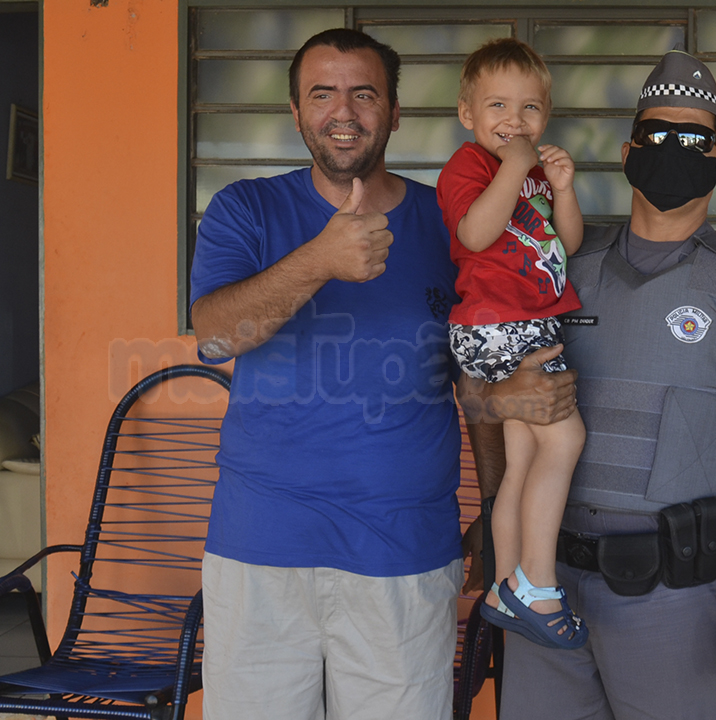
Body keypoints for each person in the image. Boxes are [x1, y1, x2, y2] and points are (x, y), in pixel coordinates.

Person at [188, 28, 569, 720]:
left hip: (405, 556)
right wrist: (319, 259)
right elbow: (215, 336)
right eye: (322, 94)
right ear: (296, 112)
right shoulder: (246, 209)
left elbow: (470, 375)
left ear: (394, 112)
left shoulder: (448, 221)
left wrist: (490, 508)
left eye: (364, 94)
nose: (343, 111)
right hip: (261, 551)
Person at [494, 50, 716, 719]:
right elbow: (501, 395)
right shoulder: (563, 266)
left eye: (694, 140)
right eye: (655, 136)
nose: (671, 151)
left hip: (672, 601)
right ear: (627, 152)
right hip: (546, 586)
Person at [437, 37, 588, 649]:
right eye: (497, 106)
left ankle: (505, 584)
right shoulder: (469, 167)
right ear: (467, 114)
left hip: (530, 323)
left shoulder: (534, 176)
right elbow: (475, 234)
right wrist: (513, 167)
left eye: (529, 109)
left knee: (523, 459)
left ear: (545, 116)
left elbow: (568, 244)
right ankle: (540, 585)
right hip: (495, 325)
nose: (514, 122)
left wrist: (564, 186)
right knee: (567, 435)